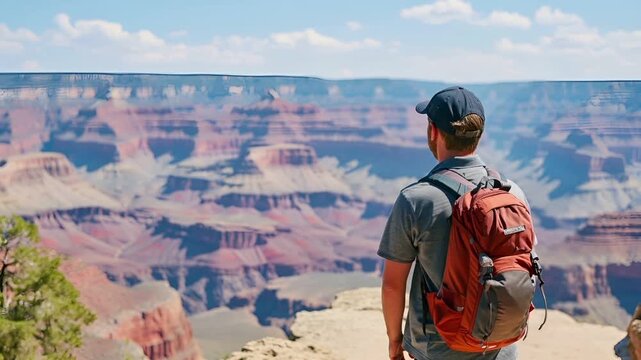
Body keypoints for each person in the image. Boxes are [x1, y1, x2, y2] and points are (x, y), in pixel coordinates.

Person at [378, 86, 529, 360]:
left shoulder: (416, 200)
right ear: (479, 135)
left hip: (439, 347)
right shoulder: (511, 193)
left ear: (433, 132)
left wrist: (395, 341)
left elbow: (392, 284)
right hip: (501, 344)